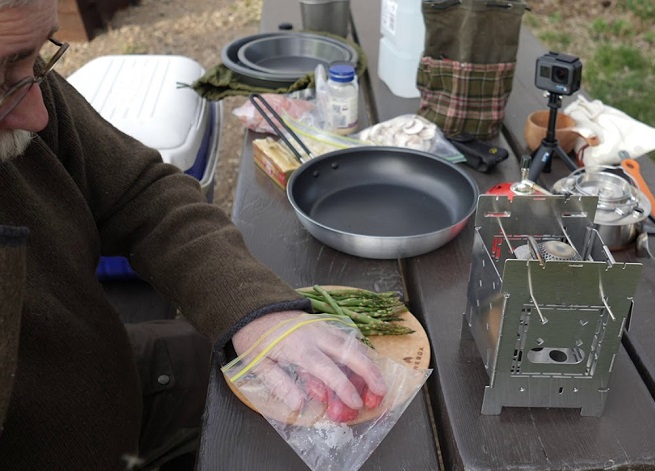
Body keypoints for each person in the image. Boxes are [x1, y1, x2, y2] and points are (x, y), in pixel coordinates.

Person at [0, 0, 387, 469]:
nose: (37, 116)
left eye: (35, 58)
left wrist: (252, 310)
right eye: (2, 80)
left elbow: (137, 191)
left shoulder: (20, 81)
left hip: (112, 373)